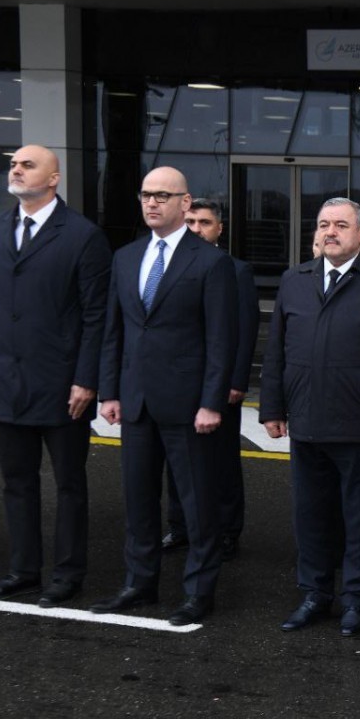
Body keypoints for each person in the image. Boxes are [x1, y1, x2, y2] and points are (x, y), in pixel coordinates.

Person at [259, 198, 360, 635]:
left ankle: (357, 600)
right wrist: (272, 408)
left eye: (341, 225)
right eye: (324, 224)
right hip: (306, 421)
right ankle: (315, 593)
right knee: (311, 516)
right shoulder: (295, 280)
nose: (330, 231)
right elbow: (277, 351)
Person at [92, 167, 237, 626]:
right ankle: (140, 583)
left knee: (197, 505)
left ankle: (198, 592)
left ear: (184, 202)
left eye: (161, 195)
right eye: (145, 195)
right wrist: (109, 391)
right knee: (138, 500)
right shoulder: (126, 257)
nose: (151, 202)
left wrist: (211, 402)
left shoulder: (210, 263)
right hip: (135, 402)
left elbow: (221, 340)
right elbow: (114, 331)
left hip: (189, 405)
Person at [0, 145, 111, 607]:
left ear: (54, 178)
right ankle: (23, 571)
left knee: (69, 485)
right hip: (5, 381)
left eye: (27, 165)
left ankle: (68, 575)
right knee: (16, 482)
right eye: (14, 164)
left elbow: (96, 316)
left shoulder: (83, 236)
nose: (16, 169)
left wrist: (87, 378)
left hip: (63, 385)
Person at [160, 199, 259, 562]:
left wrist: (236, 381)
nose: (196, 229)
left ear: (219, 229)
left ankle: (228, 531)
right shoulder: (167, 266)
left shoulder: (236, 271)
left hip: (219, 385)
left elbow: (245, 330)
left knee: (222, 461)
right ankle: (181, 526)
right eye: (190, 222)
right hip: (177, 383)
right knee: (176, 459)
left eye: (204, 222)